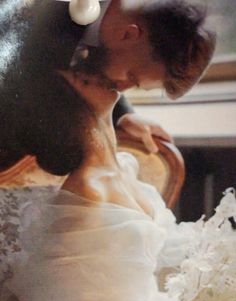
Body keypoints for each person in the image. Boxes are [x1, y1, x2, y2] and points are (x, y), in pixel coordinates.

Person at [0, 72, 214, 301]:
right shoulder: (88, 189)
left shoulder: (124, 166)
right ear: (70, 99)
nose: (107, 76)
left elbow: (158, 263)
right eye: (87, 77)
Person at [0, 0, 216, 172]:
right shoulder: (32, 23)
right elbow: (60, 156)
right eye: (131, 77)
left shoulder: (107, 28)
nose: (121, 89)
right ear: (128, 34)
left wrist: (124, 115)